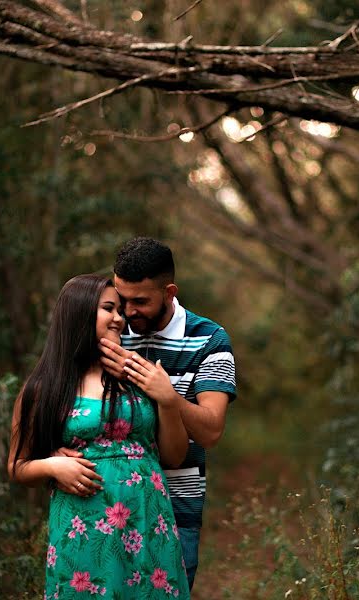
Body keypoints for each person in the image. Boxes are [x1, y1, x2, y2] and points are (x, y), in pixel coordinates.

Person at [8, 274, 191, 599]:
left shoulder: (137, 375)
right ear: (79, 312)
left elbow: (173, 456)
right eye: (110, 308)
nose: (120, 318)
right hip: (84, 528)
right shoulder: (44, 388)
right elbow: (17, 465)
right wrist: (52, 467)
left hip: (147, 521)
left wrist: (167, 398)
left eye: (121, 310)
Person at [100, 237, 237, 590]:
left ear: (170, 291)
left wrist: (169, 398)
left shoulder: (209, 339)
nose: (128, 311)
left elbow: (211, 431)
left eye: (140, 301)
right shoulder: (109, 328)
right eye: (122, 298)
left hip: (178, 507)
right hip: (109, 505)